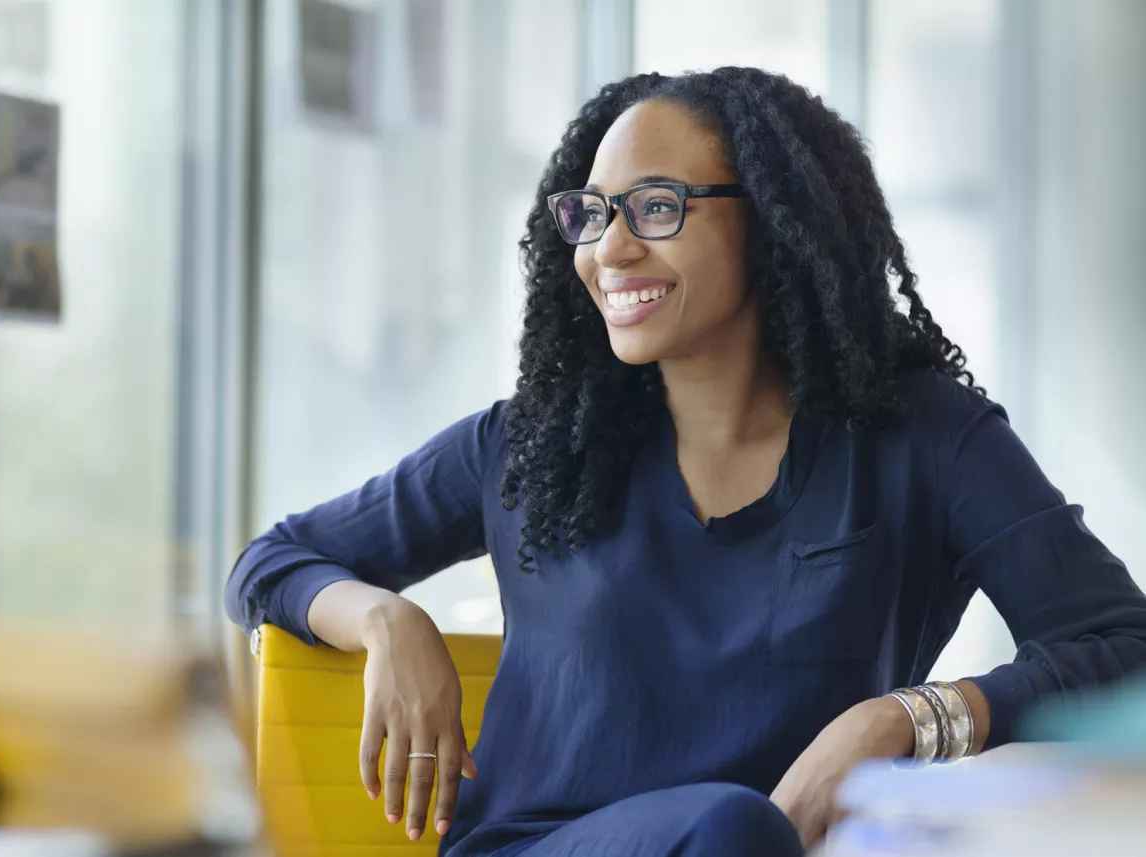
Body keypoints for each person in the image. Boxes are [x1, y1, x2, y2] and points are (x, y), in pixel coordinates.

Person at [225, 67, 1146, 856]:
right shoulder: (532, 442)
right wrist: (389, 621)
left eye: (657, 208)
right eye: (590, 214)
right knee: (731, 825)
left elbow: (1123, 647)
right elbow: (270, 562)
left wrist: (900, 720)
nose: (610, 248)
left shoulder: (928, 441)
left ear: (776, 227)